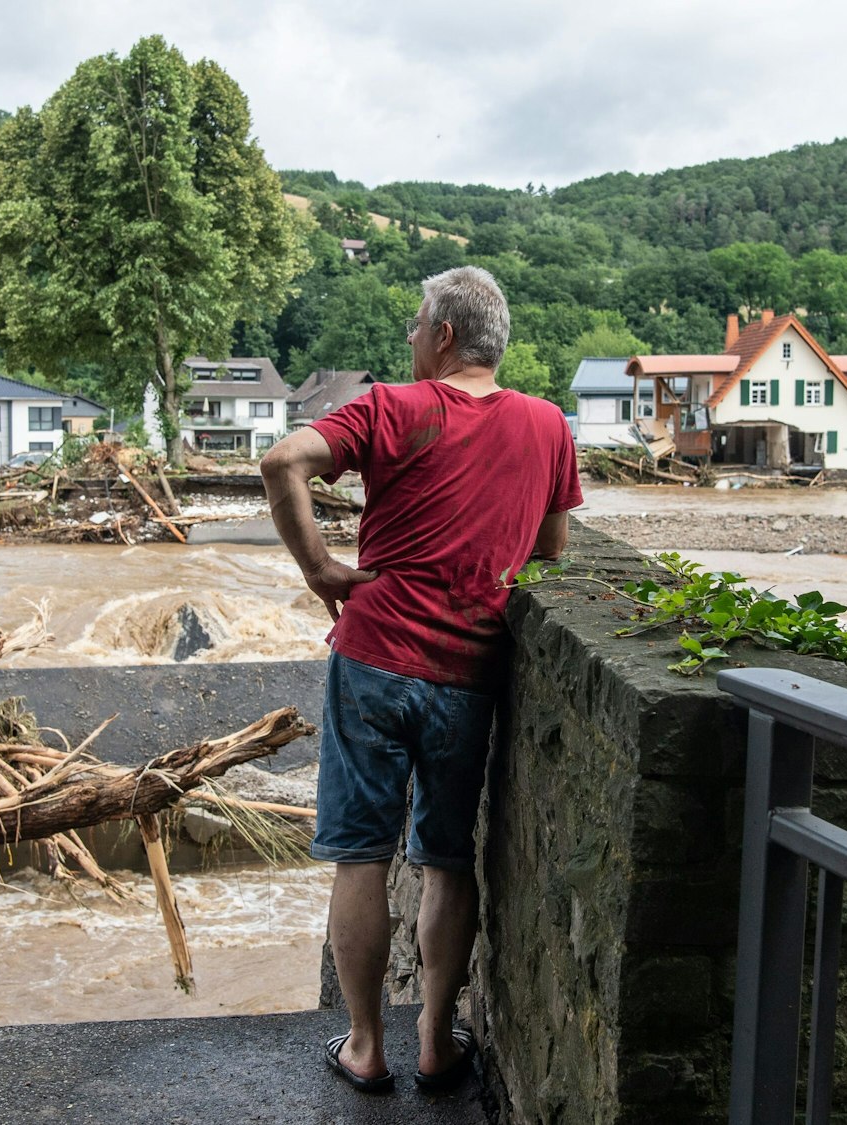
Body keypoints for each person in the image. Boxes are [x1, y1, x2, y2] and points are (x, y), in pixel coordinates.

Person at [259, 265, 582, 1095]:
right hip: (471, 669)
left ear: (443, 335)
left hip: (374, 657)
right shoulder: (548, 425)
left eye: (414, 325)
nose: (408, 339)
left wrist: (323, 569)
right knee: (446, 857)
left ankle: (366, 1046)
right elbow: (551, 553)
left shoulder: (391, 408)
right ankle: (437, 1039)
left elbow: (282, 462)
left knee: (360, 854)